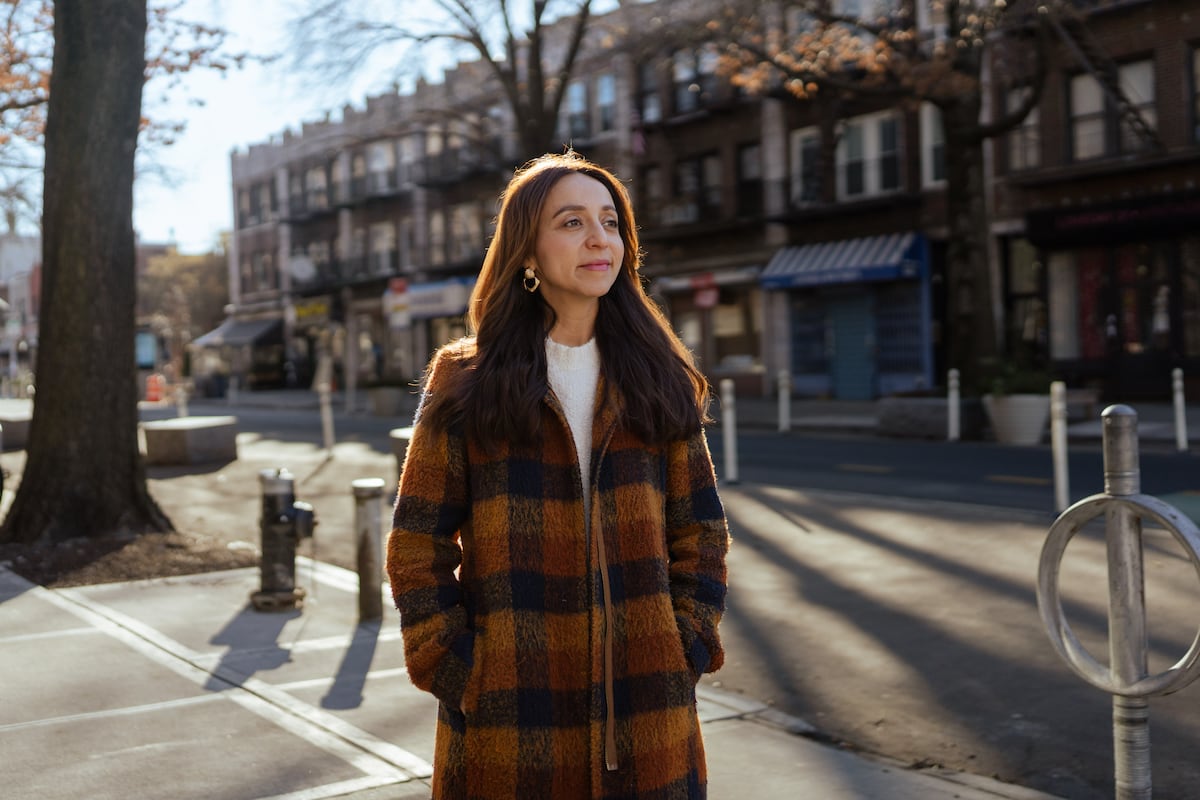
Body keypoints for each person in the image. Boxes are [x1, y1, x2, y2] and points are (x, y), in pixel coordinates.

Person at [386, 151, 730, 799]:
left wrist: (686, 643)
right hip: (509, 714)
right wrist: (456, 668)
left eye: (609, 221)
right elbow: (416, 543)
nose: (600, 238)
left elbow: (701, 530)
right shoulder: (466, 382)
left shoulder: (660, 378)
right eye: (572, 223)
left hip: (648, 706)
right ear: (526, 252)